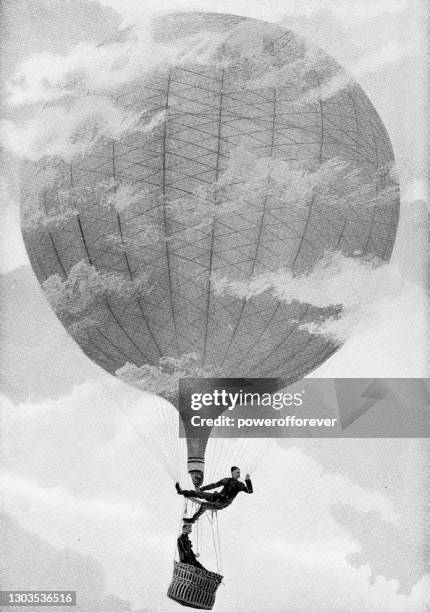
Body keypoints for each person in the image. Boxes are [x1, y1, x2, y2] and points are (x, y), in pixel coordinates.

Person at [175, 466, 253, 523]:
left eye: (239, 472)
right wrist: (202, 489)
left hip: (223, 503)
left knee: (204, 505)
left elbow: (250, 491)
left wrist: (248, 480)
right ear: (232, 473)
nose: (239, 474)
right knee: (198, 493)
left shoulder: (240, 484)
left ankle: (193, 519)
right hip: (216, 497)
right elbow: (214, 485)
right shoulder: (226, 480)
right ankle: (181, 492)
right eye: (237, 472)